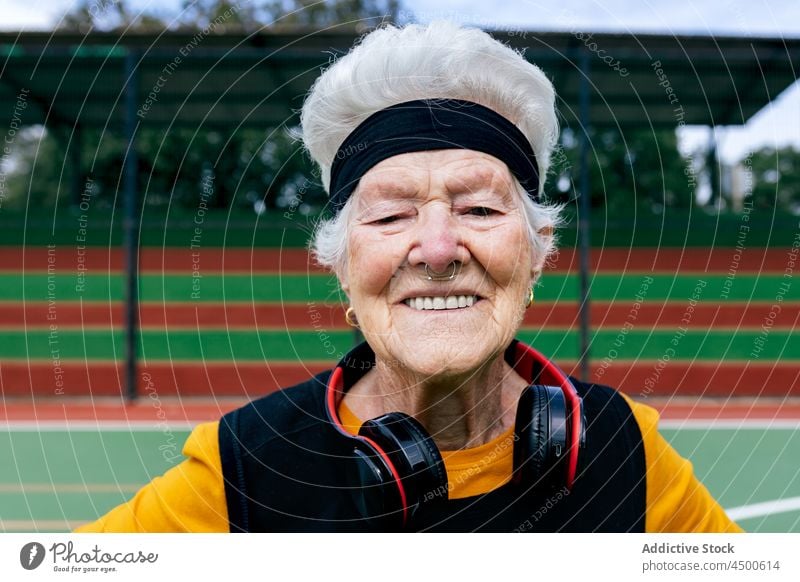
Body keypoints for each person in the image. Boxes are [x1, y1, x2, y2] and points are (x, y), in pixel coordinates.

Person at [76, 21, 742, 533]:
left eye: (479, 208)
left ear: (537, 253)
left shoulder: (627, 454)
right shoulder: (244, 470)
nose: (437, 247)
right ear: (341, 268)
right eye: (391, 215)